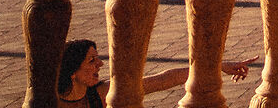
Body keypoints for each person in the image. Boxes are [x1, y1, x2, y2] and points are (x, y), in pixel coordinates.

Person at [57, 38, 252, 104]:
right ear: (72, 71)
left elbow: (165, 79)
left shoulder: (99, 94)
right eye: (92, 60)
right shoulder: (49, 100)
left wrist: (219, 67)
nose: (100, 64)